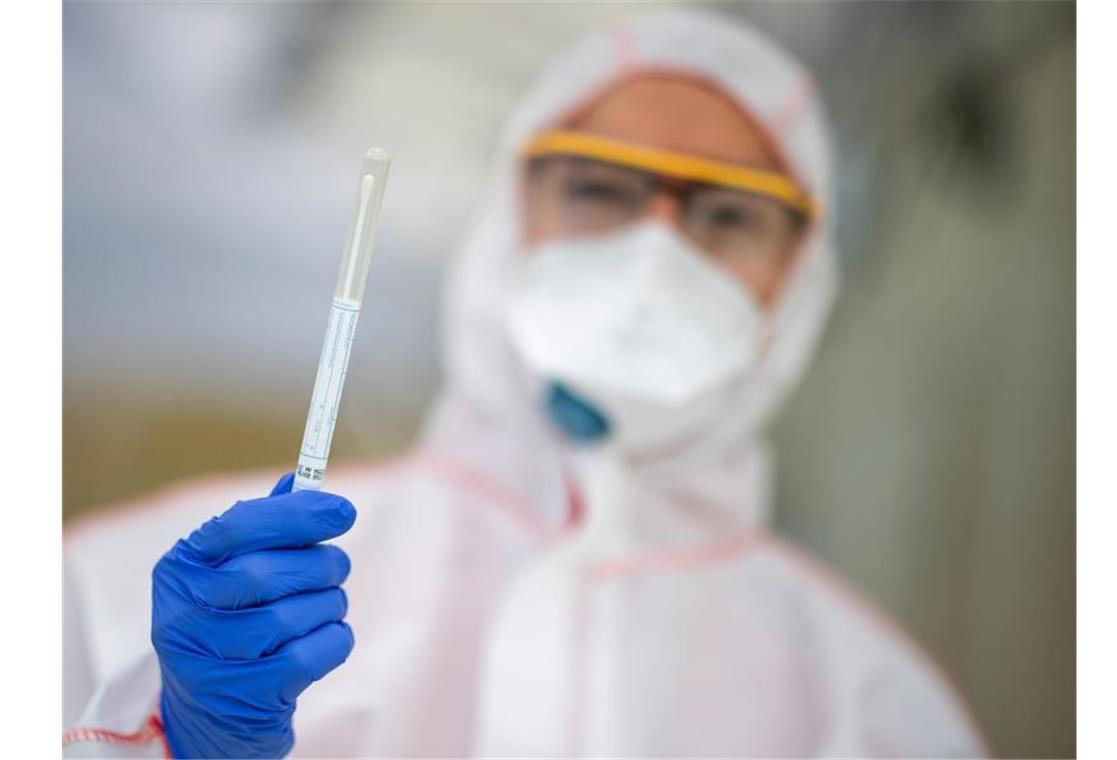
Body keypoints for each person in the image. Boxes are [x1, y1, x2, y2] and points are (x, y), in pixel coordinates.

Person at [63, 10, 989, 758]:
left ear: (802, 277)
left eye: (725, 214)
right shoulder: (130, 593)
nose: (652, 251)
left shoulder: (872, 707)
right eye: (600, 191)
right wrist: (174, 740)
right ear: (506, 222)